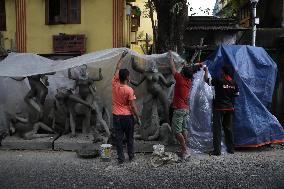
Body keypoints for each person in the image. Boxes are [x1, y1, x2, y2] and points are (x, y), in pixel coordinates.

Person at [169, 51, 202, 159]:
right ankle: (184, 148)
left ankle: (184, 149)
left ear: (182, 74)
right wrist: (184, 66)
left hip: (179, 109)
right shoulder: (189, 81)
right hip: (186, 109)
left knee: (176, 130)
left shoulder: (179, 80)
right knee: (184, 129)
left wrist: (170, 58)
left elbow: (173, 69)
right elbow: (187, 71)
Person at [204, 65, 239, 155]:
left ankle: (217, 151)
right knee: (228, 128)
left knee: (217, 129)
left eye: (221, 71)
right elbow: (236, 94)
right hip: (229, 108)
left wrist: (206, 70)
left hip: (219, 108)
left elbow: (207, 80)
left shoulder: (219, 81)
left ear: (223, 72)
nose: (220, 72)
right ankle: (231, 149)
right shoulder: (234, 82)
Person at [112, 51, 140, 165]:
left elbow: (117, 68)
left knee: (118, 138)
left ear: (118, 77)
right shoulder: (129, 90)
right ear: (127, 77)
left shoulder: (114, 83)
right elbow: (132, 106)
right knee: (129, 138)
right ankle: (131, 157)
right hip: (127, 117)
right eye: (129, 76)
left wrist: (121, 57)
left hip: (116, 116)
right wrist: (138, 118)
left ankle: (121, 159)